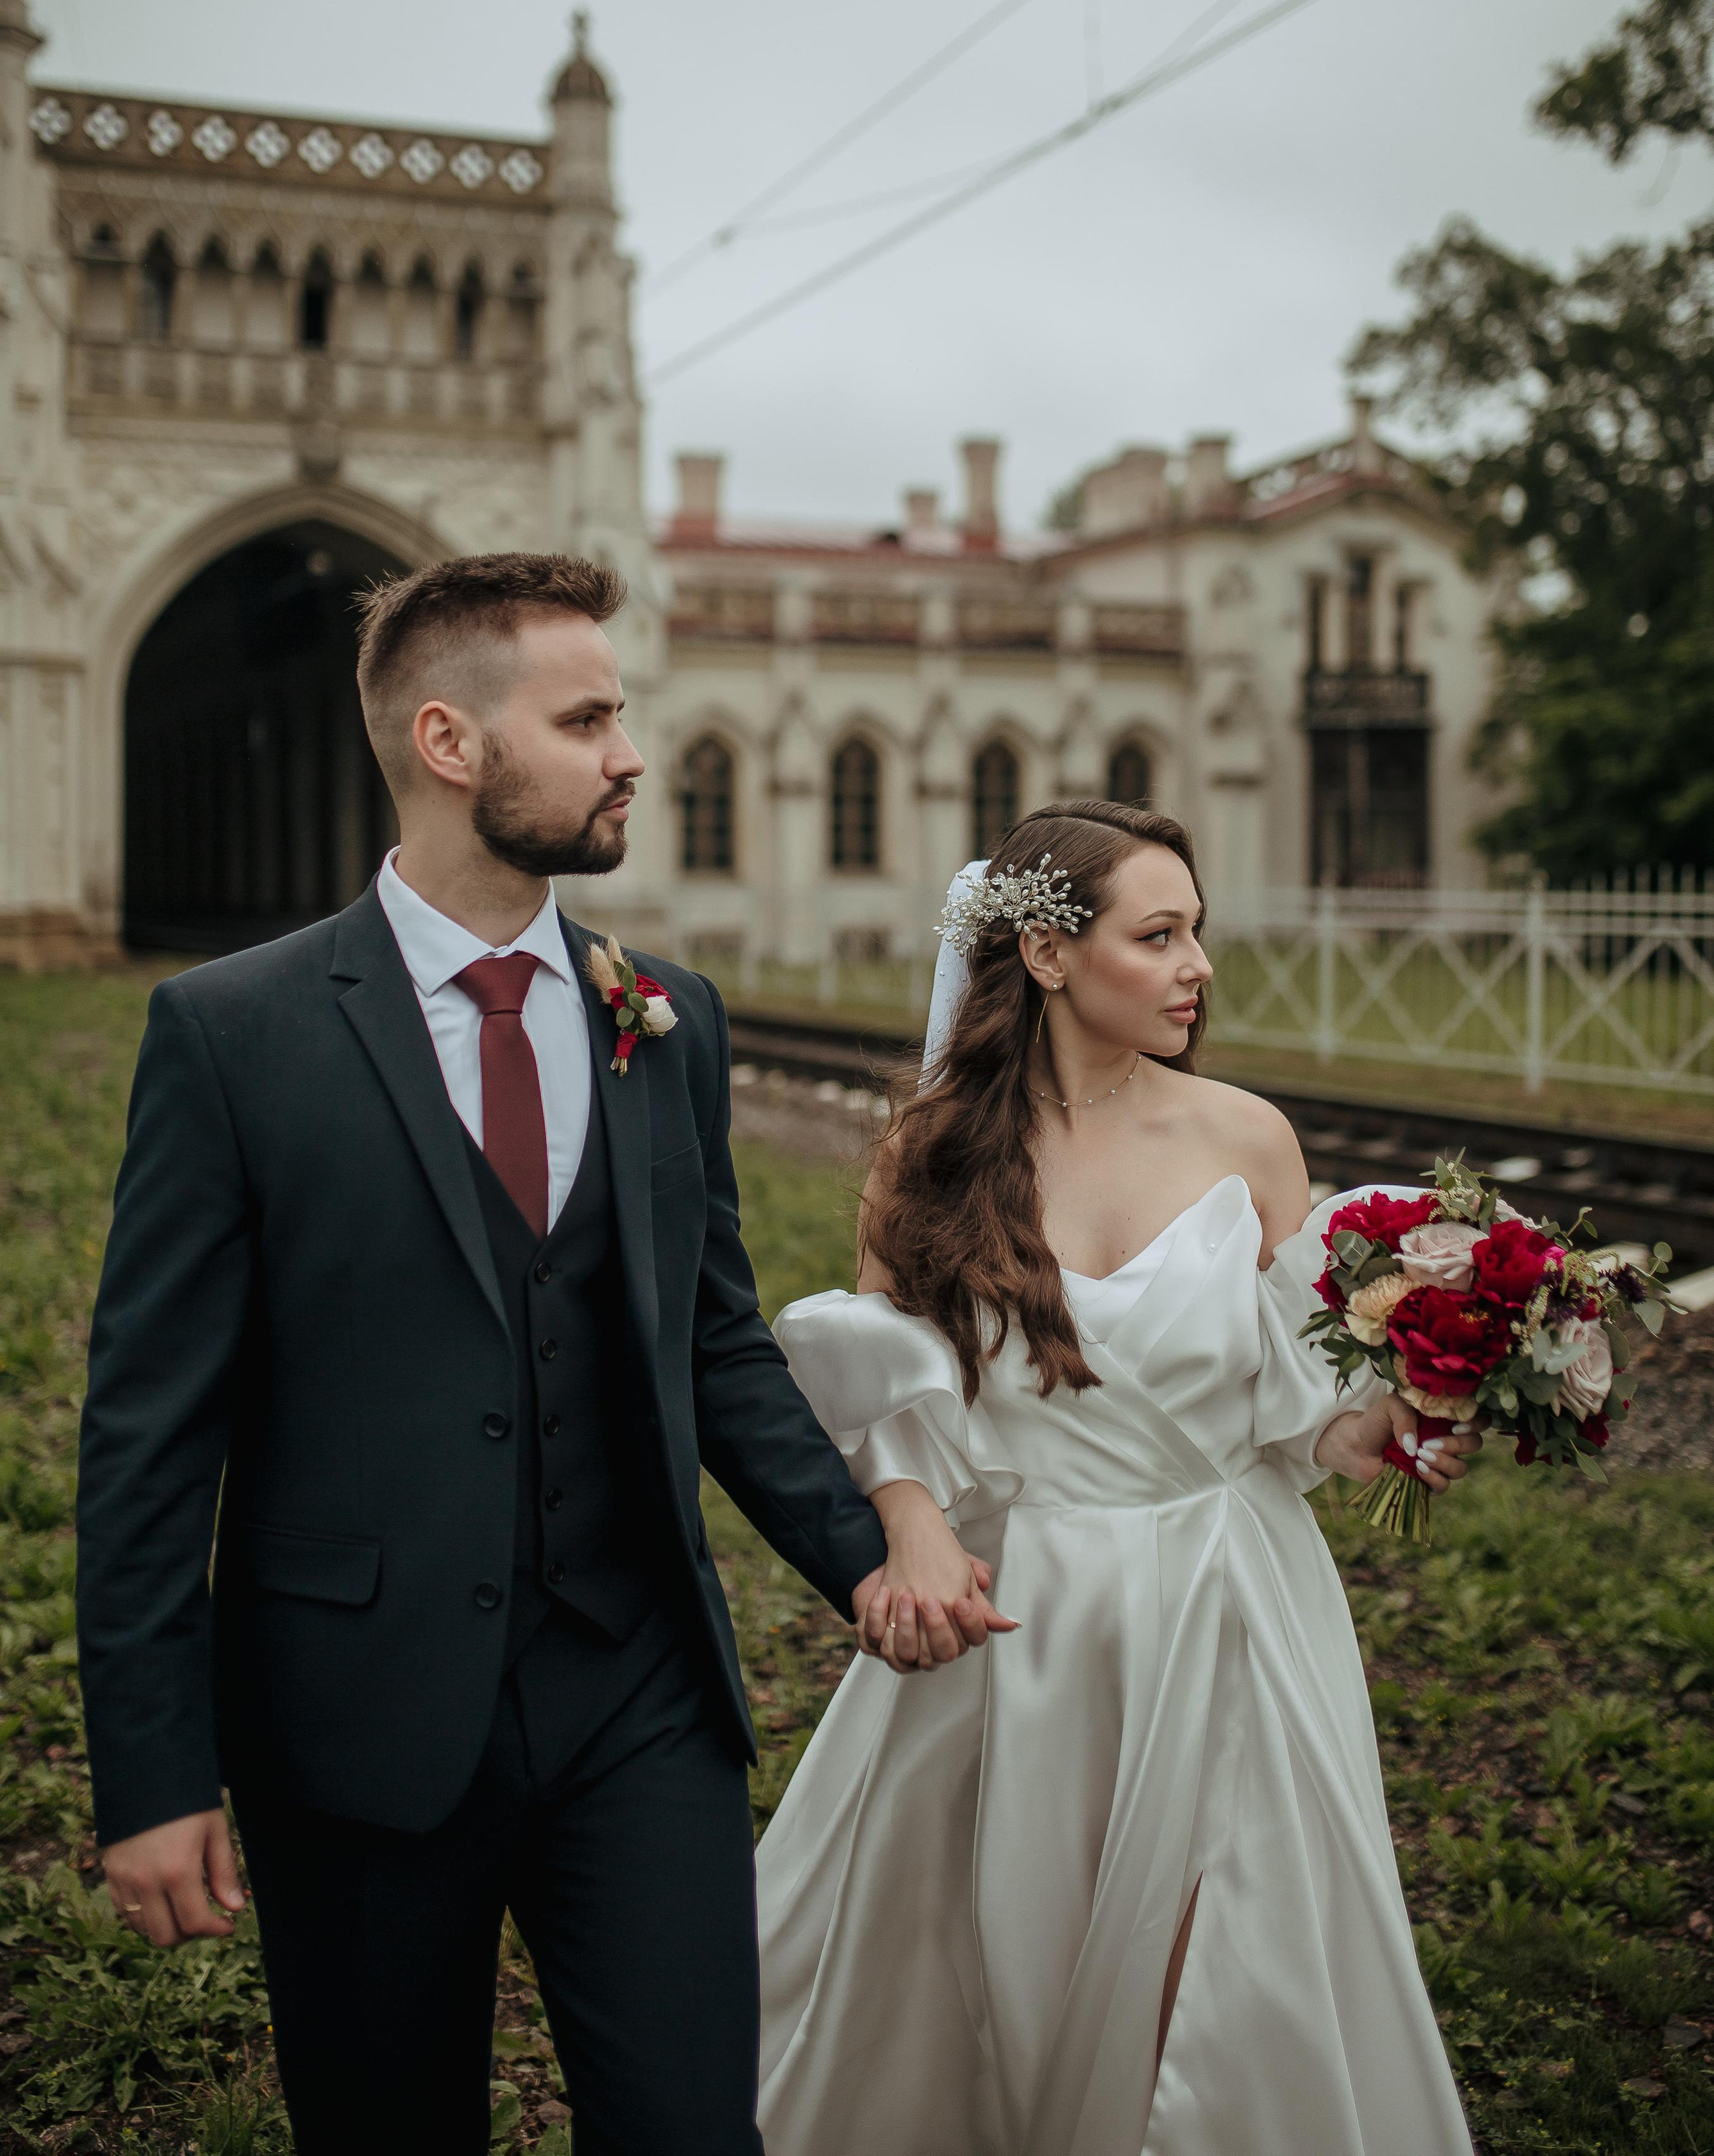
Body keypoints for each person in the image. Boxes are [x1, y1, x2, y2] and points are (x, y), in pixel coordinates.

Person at [75, 550, 1002, 2156]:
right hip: (356, 1720)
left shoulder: (666, 1016)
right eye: (587, 720)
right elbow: (149, 1435)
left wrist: (862, 1561)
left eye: (620, 716)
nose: (628, 753)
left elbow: (709, 1335)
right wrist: (152, 1771)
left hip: (637, 1700)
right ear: (450, 743)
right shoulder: (234, 1034)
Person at [755, 800, 1479, 2156]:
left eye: (1197, 932)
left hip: (1225, 1605)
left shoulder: (1246, 1141)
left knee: (1215, 1970)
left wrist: (1398, 1419)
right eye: (1159, 936)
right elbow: (875, 1380)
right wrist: (909, 1532)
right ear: (1044, 954)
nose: (1198, 965)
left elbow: (1296, 1415)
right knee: (979, 1974)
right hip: (1017, 1613)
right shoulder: (927, 1156)